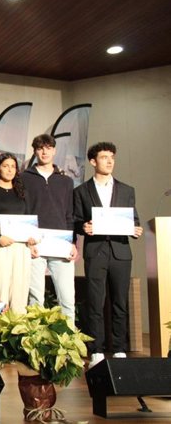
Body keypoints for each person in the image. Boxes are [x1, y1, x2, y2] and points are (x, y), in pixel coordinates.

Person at [73, 142, 142, 367]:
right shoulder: (81, 191)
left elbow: (134, 220)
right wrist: (83, 227)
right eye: (104, 157)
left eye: (112, 156)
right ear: (93, 162)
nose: (110, 161)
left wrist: (136, 229)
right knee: (95, 302)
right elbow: (74, 220)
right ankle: (96, 350)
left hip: (121, 252)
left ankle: (120, 349)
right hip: (96, 251)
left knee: (120, 302)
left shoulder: (127, 190)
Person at [23, 134, 77, 320]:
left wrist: (73, 243)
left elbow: (70, 215)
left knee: (67, 300)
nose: (44, 151)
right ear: (35, 151)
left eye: (48, 147)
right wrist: (27, 242)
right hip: (35, 244)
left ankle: (69, 345)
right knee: (35, 298)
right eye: (40, 148)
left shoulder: (66, 181)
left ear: (54, 150)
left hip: (61, 245)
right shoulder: (23, 178)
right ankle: (33, 345)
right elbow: (23, 212)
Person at [0, 153, 35, 314]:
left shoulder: (22, 192)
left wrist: (31, 238)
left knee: (19, 290)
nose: (9, 170)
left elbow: (29, 220)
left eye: (13, 166)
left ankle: (17, 334)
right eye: (5, 166)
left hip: (21, 247)